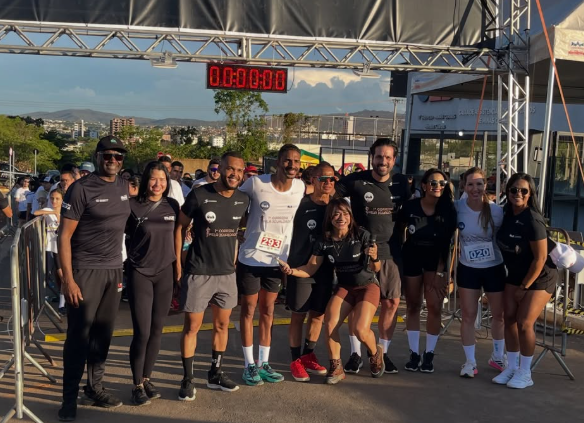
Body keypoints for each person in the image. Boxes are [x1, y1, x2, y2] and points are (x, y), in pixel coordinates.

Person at [57, 135, 131, 421]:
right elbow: (64, 236)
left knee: (103, 335)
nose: (113, 160)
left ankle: (94, 388)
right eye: (107, 155)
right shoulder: (80, 189)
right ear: (97, 157)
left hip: (114, 269)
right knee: (79, 337)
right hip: (85, 271)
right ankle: (69, 399)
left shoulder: (123, 185)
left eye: (118, 156)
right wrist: (68, 279)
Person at [280, 199, 385, 384]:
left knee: (361, 329)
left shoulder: (362, 235)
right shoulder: (324, 240)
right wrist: (291, 271)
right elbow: (310, 268)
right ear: (329, 217)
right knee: (329, 324)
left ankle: (376, 353)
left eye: (345, 213)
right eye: (336, 214)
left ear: (350, 216)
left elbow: (375, 268)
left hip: (367, 286)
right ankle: (336, 366)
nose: (341, 218)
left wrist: (375, 258)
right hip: (345, 287)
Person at [174, 151, 249, 400]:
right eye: (230, 169)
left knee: (222, 325)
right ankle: (187, 379)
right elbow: (180, 226)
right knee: (192, 328)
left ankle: (215, 374)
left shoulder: (243, 199)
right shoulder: (199, 195)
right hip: (199, 272)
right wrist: (178, 263)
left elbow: (239, 230)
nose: (234, 174)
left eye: (239, 170)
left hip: (227, 274)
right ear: (220, 169)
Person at [334, 138, 410, 374]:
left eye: (387, 157)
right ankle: (356, 354)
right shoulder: (355, 181)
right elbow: (329, 196)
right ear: (372, 157)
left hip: (391, 252)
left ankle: (382, 354)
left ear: (394, 160)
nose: (382, 161)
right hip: (360, 252)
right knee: (357, 303)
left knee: (391, 303)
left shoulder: (401, 184)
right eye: (379, 157)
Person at [237, 144, 305, 386]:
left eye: (296, 161)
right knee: (248, 310)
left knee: (268, 311)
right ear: (278, 162)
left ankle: (263, 363)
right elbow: (234, 202)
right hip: (251, 258)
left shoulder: (300, 187)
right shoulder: (256, 183)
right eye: (287, 160)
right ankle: (249, 365)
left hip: (276, 261)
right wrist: (239, 227)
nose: (292, 165)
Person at [493, 173, 558, 389]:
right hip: (515, 273)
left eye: (523, 190)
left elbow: (540, 259)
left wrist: (524, 287)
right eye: (514, 190)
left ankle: (525, 372)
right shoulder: (506, 214)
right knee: (509, 318)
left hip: (539, 277)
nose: (518, 194)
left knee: (524, 322)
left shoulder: (533, 219)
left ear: (530, 194)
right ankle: (511, 367)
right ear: (507, 191)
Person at [125, 161, 180, 405]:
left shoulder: (173, 205)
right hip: (141, 273)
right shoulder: (132, 205)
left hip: (165, 272)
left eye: (163, 179)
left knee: (157, 330)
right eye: (154, 179)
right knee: (142, 332)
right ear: (146, 180)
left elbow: (179, 234)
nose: (158, 184)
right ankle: (136, 384)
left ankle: (147, 378)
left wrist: (179, 267)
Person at [396, 168, 456, 373]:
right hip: (412, 259)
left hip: (435, 263)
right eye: (433, 183)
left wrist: (442, 272)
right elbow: (398, 229)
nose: (437, 186)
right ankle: (414, 353)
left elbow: (449, 245)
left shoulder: (449, 209)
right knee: (413, 305)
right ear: (424, 186)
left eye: (442, 183)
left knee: (434, 307)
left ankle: (429, 354)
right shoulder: (410, 206)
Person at [286, 162, 335, 382]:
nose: (328, 182)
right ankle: (295, 360)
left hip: (325, 270)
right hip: (300, 268)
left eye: (332, 179)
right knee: (298, 315)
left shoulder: (335, 206)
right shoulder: (300, 203)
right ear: (313, 179)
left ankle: (308, 355)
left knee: (318, 315)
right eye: (323, 178)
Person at [455, 168, 505, 378]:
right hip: (468, 268)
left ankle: (498, 357)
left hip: (494, 268)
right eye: (470, 184)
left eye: (479, 184)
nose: (475, 189)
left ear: (485, 185)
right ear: (464, 187)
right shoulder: (457, 208)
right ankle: (470, 362)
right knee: (468, 315)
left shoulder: (496, 211)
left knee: (499, 315)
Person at [35, 188, 66, 314]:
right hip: (52, 247)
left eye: (57, 199)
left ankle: (62, 304)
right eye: (52, 198)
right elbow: (36, 212)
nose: (54, 201)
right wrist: (53, 212)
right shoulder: (48, 210)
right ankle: (61, 302)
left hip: (65, 248)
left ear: (62, 200)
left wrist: (59, 215)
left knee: (63, 275)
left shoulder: (66, 211)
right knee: (56, 275)